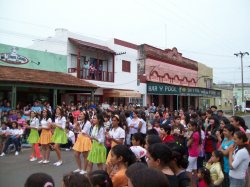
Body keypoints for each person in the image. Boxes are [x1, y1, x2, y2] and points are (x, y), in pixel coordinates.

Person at [186, 120, 201, 187]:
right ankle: (194, 184)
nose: (188, 127)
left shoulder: (194, 134)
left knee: (188, 170)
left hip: (192, 153)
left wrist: (188, 138)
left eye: (190, 126)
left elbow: (187, 144)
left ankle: (190, 184)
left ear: (194, 126)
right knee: (194, 169)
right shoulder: (197, 133)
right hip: (195, 153)